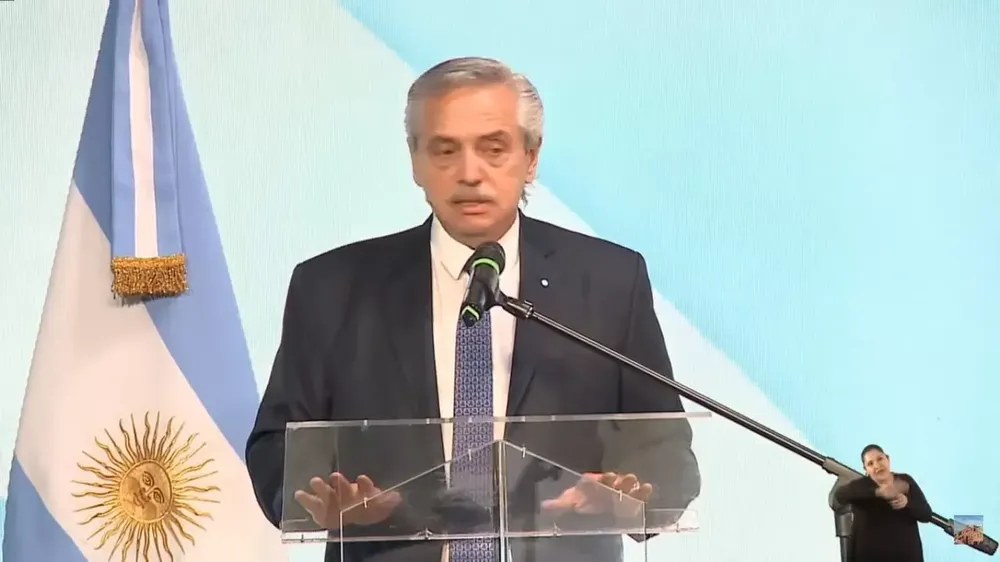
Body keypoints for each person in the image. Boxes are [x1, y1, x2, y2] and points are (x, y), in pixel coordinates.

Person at [246, 56, 701, 562]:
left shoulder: (609, 281)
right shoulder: (333, 287)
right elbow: (276, 448)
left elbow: (664, 448)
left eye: (493, 149)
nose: (469, 173)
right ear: (415, 160)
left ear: (531, 157)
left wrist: (628, 497)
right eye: (445, 150)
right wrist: (324, 499)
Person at [834, 444, 932, 562]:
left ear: (888, 459)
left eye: (880, 459)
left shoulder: (905, 480)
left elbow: (926, 514)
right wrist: (878, 492)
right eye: (870, 463)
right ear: (866, 469)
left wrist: (907, 503)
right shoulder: (861, 486)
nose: (877, 465)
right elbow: (839, 496)